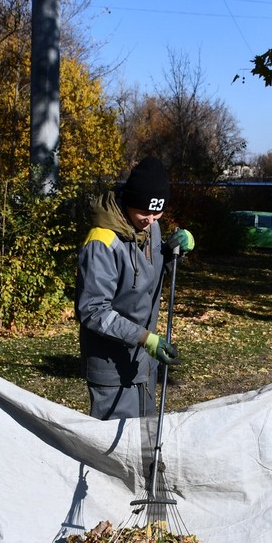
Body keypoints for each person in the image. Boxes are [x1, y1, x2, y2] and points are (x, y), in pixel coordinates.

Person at [75, 157, 194, 421]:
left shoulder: (151, 229)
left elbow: (155, 276)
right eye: (144, 212)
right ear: (128, 202)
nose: (151, 220)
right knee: (114, 451)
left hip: (143, 361)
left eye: (157, 213)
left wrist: (176, 253)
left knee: (143, 434)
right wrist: (145, 338)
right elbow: (93, 310)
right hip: (111, 367)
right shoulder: (101, 242)